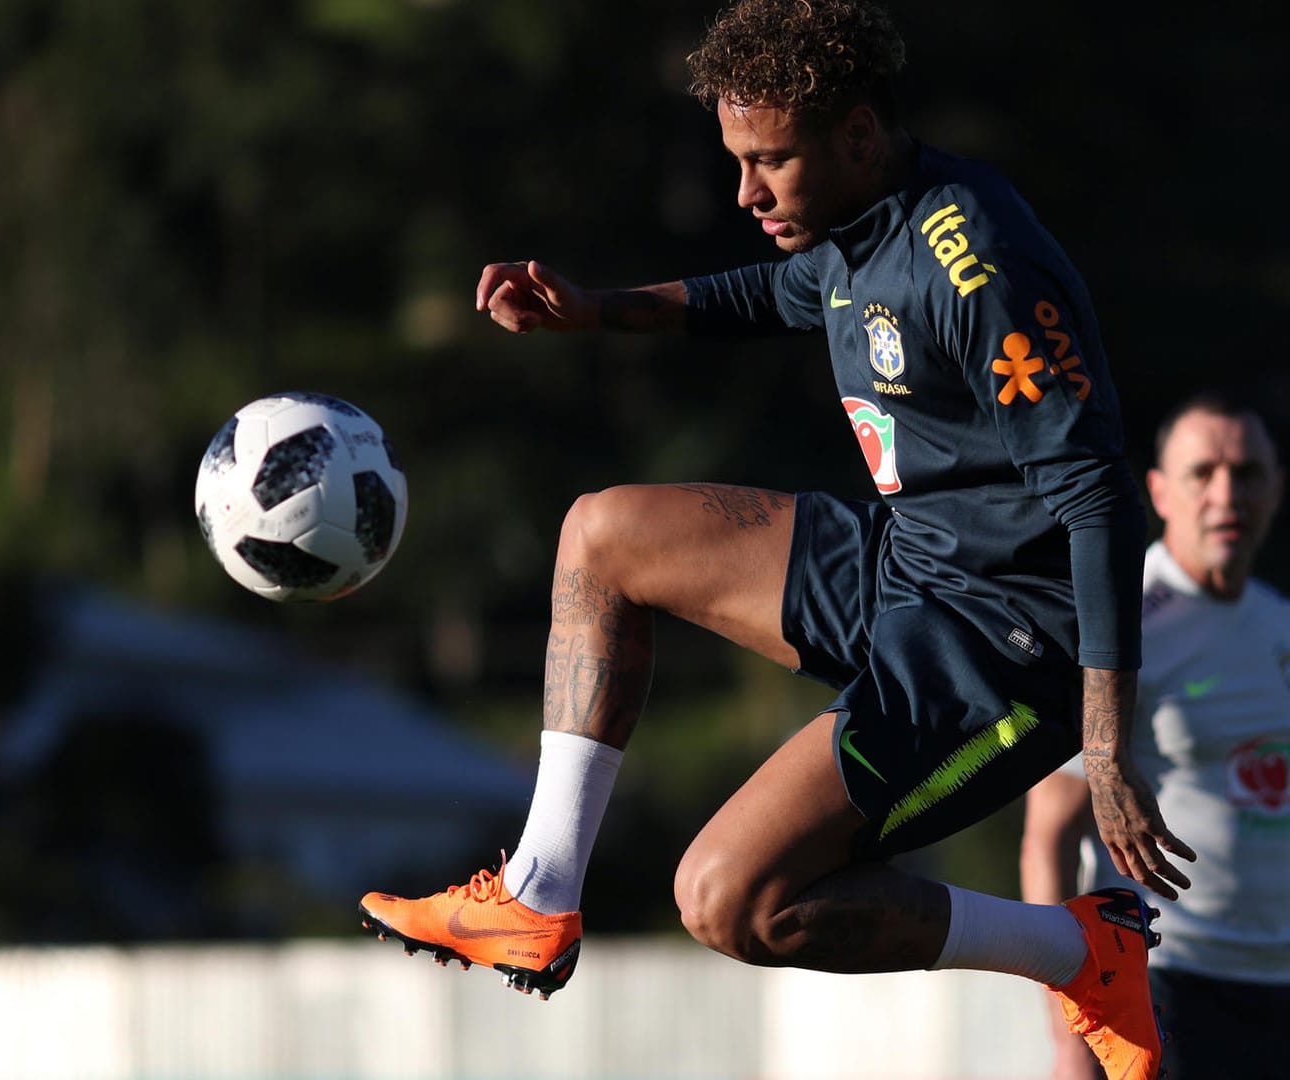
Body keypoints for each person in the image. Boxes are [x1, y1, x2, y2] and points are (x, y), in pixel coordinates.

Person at [359, 3, 1193, 1076]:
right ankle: (537, 895)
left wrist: (1106, 744)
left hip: (1003, 647)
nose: (746, 192)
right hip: (906, 563)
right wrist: (595, 309)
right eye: (736, 161)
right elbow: (779, 294)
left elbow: (1101, 499)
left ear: (855, 135)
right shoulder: (847, 221)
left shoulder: (976, 258)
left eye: (770, 162)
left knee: (723, 900)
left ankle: (1079, 946)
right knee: (604, 533)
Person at [1020, 393, 1290, 1079]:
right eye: (1203, 472)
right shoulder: (1118, 620)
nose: (1227, 493)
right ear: (1160, 492)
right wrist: (1068, 1040)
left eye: (1248, 473)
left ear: (1277, 490)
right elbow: (1048, 834)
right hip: (1161, 986)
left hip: (1287, 992)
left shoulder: (1282, 623)